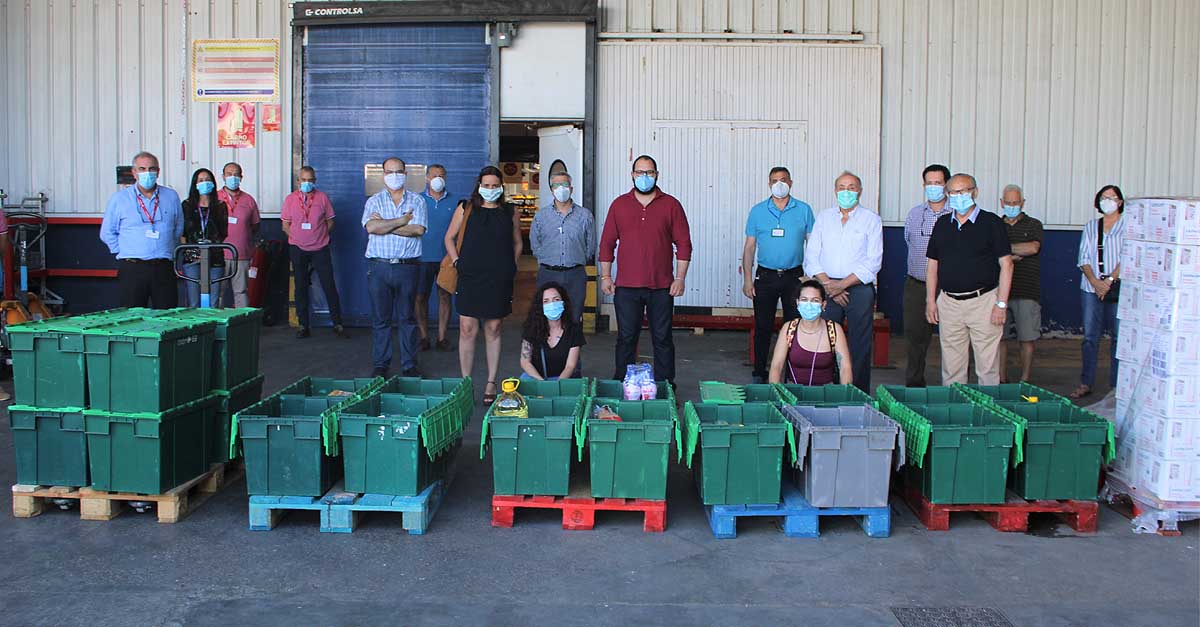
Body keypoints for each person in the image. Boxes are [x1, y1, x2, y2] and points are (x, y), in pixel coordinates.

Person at [599, 155, 693, 385]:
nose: (644, 177)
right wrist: (606, 276)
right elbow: (607, 243)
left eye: (649, 172)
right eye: (640, 172)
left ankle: (665, 385)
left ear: (657, 175)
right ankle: (623, 384)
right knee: (626, 338)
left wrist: (680, 278)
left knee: (662, 338)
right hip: (626, 287)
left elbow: (683, 244)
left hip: (661, 287)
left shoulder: (671, 205)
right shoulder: (619, 205)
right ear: (632, 175)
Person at [924, 173, 1014, 386]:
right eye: (953, 192)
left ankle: (988, 406)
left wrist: (1001, 304)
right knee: (951, 367)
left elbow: (1007, 265)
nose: (958, 196)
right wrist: (931, 300)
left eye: (963, 191)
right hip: (949, 302)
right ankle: (955, 404)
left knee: (987, 366)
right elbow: (932, 265)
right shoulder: (942, 224)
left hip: (983, 302)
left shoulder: (991, 223)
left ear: (975, 192)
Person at [444, 165, 523, 404]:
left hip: (499, 278)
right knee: (467, 328)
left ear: (501, 187)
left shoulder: (510, 211)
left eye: (495, 185)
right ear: (479, 186)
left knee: (494, 328)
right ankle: (466, 381)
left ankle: (491, 381)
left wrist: (511, 266)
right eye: (486, 185)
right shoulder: (466, 208)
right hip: (469, 277)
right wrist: (457, 261)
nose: (490, 189)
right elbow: (449, 238)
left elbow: (517, 243)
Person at [804, 171, 883, 392]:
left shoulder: (871, 220)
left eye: (851, 187)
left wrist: (842, 285)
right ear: (835, 191)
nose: (846, 192)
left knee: (860, 343)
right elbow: (811, 256)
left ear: (860, 191)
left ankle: (858, 392)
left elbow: (873, 261)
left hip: (858, 288)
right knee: (825, 340)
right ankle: (827, 389)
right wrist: (830, 285)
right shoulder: (824, 218)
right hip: (827, 286)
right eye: (841, 187)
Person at [742, 166, 815, 384]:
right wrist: (747, 279)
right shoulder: (757, 211)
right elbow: (749, 247)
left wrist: (811, 277)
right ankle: (759, 372)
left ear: (790, 183)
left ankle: (791, 372)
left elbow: (813, 245)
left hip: (795, 277)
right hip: (766, 277)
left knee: (794, 326)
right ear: (769, 184)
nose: (779, 184)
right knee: (762, 326)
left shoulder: (803, 210)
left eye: (783, 179)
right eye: (774, 180)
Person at [362, 157, 427, 378]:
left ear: (405, 174)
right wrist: (401, 221)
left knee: (407, 318)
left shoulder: (417, 200)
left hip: (407, 268)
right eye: (390, 172)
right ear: (383, 175)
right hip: (379, 267)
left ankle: (409, 365)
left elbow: (418, 230)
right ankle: (381, 365)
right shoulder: (374, 201)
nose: (394, 176)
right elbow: (371, 227)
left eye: (398, 171)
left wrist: (386, 224)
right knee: (381, 319)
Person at [100, 151, 184, 308]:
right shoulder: (120, 199)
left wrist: (167, 248)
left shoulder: (171, 196)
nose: (147, 173)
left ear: (158, 172)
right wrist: (125, 252)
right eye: (142, 169)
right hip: (133, 268)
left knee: (167, 315)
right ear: (134, 172)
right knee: (133, 315)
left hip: (163, 267)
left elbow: (178, 227)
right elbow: (107, 232)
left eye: (152, 169)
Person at [1071, 184, 1126, 399]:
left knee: (1118, 337)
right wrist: (1095, 282)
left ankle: (1116, 385)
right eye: (1104, 197)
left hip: (1117, 287)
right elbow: (1083, 257)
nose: (1107, 201)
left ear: (1120, 202)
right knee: (1090, 337)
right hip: (1090, 287)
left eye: (1112, 197)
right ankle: (1086, 382)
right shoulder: (1091, 226)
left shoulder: (1128, 226)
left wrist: (1109, 280)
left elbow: (1128, 257)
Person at [280, 166, 345, 338]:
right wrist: (296, 238)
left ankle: (337, 323)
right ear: (298, 181)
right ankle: (303, 325)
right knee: (300, 286)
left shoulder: (322, 198)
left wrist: (322, 235)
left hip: (320, 248)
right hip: (297, 248)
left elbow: (330, 221)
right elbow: (285, 225)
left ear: (315, 181)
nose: (307, 183)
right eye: (304, 180)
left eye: (310, 180)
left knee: (328, 285)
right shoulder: (290, 199)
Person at [902, 163, 951, 387]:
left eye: (938, 183)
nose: (933, 187)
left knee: (954, 339)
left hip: (949, 287)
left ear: (946, 185)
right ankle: (914, 384)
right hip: (917, 285)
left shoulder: (956, 213)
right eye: (929, 183)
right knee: (915, 338)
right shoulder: (914, 214)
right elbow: (909, 242)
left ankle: (954, 386)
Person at [530, 171, 596, 325]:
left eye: (565, 184)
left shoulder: (585, 216)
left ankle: (571, 342)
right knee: (547, 318)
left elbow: (591, 246)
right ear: (551, 189)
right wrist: (548, 259)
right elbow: (535, 244)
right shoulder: (541, 216)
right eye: (557, 185)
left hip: (575, 275)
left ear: (571, 188)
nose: (561, 188)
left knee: (574, 317)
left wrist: (575, 259)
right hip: (548, 273)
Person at [997, 184, 1044, 383]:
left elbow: (1033, 248)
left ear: (1023, 203)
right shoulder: (995, 225)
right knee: (999, 338)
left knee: (1027, 338)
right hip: (999, 292)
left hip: (1027, 290)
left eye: (1016, 202)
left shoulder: (1034, 225)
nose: (1012, 206)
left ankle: (1024, 380)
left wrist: (1003, 251)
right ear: (1002, 203)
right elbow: (988, 250)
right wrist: (1014, 253)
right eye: (1008, 203)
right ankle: (1001, 379)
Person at [768, 280, 854, 386]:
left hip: (826, 392)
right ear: (797, 303)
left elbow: (845, 368)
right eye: (804, 300)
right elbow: (776, 365)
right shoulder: (789, 328)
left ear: (823, 304)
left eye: (815, 300)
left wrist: (845, 392)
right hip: (794, 392)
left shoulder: (834, 329)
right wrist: (776, 391)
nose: (809, 305)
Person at [417, 164, 455, 352]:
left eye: (441, 175)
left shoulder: (455, 202)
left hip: (446, 259)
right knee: (420, 297)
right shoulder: (417, 200)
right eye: (433, 175)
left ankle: (442, 337)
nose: (437, 179)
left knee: (445, 297)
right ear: (426, 178)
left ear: (445, 178)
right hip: (420, 258)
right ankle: (423, 337)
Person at [180, 168, 229, 307]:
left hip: (215, 256)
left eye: (207, 180)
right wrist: (187, 250)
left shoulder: (220, 206)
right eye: (201, 180)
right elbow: (183, 232)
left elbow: (223, 232)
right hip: (192, 257)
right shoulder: (187, 205)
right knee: (193, 300)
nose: (204, 182)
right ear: (195, 184)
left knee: (214, 300)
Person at [519, 282, 585, 381]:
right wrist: (541, 382)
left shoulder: (574, 331)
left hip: (563, 380)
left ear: (563, 302)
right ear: (540, 306)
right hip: (536, 378)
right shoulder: (532, 328)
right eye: (546, 301)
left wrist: (556, 386)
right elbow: (525, 361)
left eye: (556, 299)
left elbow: (570, 366)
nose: (552, 304)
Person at [217, 161, 261, 308]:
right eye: (229, 174)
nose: (233, 177)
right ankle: (216, 321)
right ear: (223, 176)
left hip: (241, 255)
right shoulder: (214, 198)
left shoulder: (249, 200)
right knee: (217, 293)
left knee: (241, 292)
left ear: (241, 177)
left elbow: (255, 225)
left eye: (236, 174)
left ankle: (243, 321)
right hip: (219, 255)